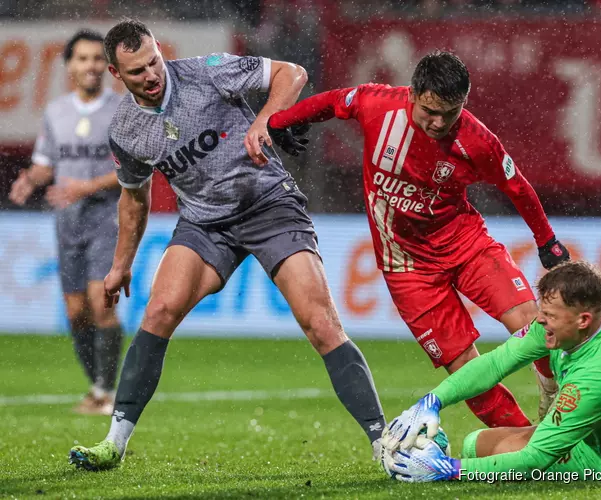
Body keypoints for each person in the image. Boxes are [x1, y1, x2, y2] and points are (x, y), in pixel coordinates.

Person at [68, 19, 385, 471]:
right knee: (158, 313)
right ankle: (114, 443)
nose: (152, 75)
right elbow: (134, 200)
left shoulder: (207, 71)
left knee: (320, 323)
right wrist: (121, 266)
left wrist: (264, 121)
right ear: (117, 75)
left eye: (154, 62)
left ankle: (382, 442)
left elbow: (291, 73)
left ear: (160, 51)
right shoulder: (125, 129)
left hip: (269, 205)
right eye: (137, 71)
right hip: (204, 223)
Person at [268, 51, 570, 428]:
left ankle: (552, 384)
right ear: (412, 93)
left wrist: (547, 241)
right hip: (407, 270)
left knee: (531, 321)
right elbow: (333, 101)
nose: (439, 122)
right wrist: (281, 121)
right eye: (430, 111)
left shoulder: (477, 141)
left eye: (451, 112)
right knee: (465, 372)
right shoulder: (377, 104)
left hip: (467, 245)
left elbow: (517, 187)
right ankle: (529, 442)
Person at [380, 261, 601, 481]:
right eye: (542, 310)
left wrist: (448, 470)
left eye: (548, 315)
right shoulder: (584, 316)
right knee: (478, 444)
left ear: (582, 320)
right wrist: (432, 402)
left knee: (474, 450)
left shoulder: (600, 374)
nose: (539, 320)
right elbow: (496, 363)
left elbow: (535, 459)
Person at [9, 30, 124, 416]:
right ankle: (96, 386)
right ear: (69, 65)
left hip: (107, 219)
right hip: (67, 223)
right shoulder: (56, 111)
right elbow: (46, 164)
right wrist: (30, 179)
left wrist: (87, 186)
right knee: (76, 312)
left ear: (107, 67)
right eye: (82, 58)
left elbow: (137, 172)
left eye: (96, 59)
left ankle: (107, 393)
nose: (90, 65)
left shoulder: (122, 110)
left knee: (100, 304)